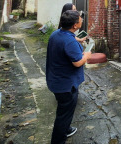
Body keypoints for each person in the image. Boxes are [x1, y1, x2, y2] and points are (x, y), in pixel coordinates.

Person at [46, 10, 92, 144]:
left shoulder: (56, 34)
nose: (82, 20)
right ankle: (58, 139)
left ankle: (66, 129)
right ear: (75, 25)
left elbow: (68, 41)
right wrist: (87, 56)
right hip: (65, 85)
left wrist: (77, 40)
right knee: (63, 115)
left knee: (64, 112)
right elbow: (77, 62)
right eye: (80, 19)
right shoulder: (69, 41)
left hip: (56, 80)